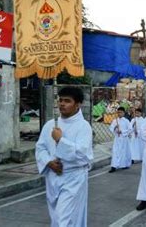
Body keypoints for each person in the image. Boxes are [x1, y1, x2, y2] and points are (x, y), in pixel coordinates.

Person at [35, 87, 93, 227]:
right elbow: (40, 148)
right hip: (53, 178)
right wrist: (49, 162)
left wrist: (60, 140)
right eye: (60, 100)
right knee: (56, 219)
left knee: (64, 220)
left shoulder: (83, 127)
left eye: (67, 101)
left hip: (73, 179)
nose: (62, 104)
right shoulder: (50, 124)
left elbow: (83, 155)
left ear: (77, 104)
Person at [109, 107, 132, 173]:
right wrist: (115, 128)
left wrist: (122, 131)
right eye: (118, 112)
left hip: (124, 139)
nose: (119, 114)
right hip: (117, 139)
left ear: (124, 113)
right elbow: (111, 128)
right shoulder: (115, 120)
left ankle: (124, 164)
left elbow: (130, 129)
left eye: (121, 112)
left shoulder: (126, 121)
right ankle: (114, 166)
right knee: (115, 152)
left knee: (124, 152)